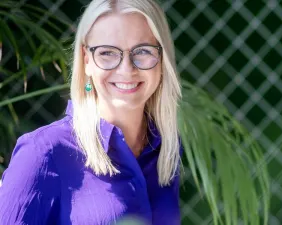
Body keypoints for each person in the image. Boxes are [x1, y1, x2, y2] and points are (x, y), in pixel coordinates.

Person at [0, 0, 182, 224]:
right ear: (87, 60)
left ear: (162, 59)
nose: (126, 69)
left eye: (142, 50)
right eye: (107, 53)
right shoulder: (42, 152)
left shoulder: (164, 149)